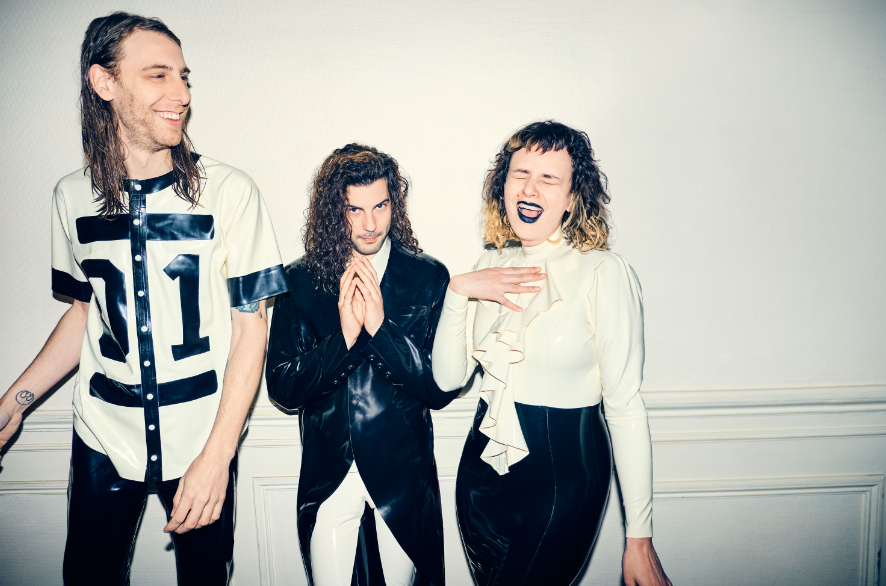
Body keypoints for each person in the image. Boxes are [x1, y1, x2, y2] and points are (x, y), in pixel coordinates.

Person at [0, 12, 288, 585]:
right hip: (103, 434)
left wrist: (217, 458)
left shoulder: (230, 191)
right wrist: (16, 400)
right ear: (104, 82)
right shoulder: (69, 196)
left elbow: (251, 329)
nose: (180, 93)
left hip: (201, 437)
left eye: (184, 77)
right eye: (158, 75)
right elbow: (83, 313)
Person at [431, 121, 672, 586]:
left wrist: (639, 538)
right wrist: (457, 291)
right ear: (502, 186)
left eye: (548, 178)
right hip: (480, 484)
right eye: (520, 173)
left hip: (563, 482)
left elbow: (624, 406)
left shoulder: (603, 272)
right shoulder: (488, 264)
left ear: (572, 197)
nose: (529, 188)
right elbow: (447, 380)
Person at [266, 144, 460, 586]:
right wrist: (346, 340)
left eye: (380, 206)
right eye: (354, 209)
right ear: (333, 210)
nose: (370, 224)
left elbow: (439, 389)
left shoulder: (428, 277)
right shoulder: (299, 280)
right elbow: (282, 388)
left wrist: (380, 329)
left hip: (403, 476)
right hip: (328, 474)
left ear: (395, 203)